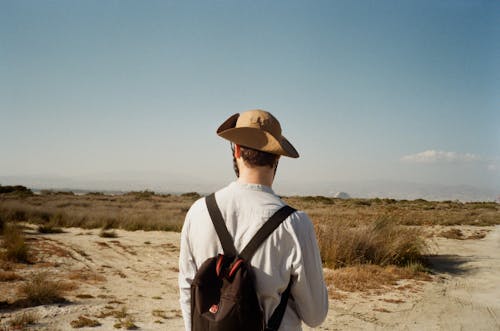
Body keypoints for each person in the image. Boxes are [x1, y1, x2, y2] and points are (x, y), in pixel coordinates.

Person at [178, 109, 328, 330]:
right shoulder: (295, 223)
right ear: (277, 156)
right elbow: (315, 316)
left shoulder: (199, 211)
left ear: (236, 149)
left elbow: (188, 292)